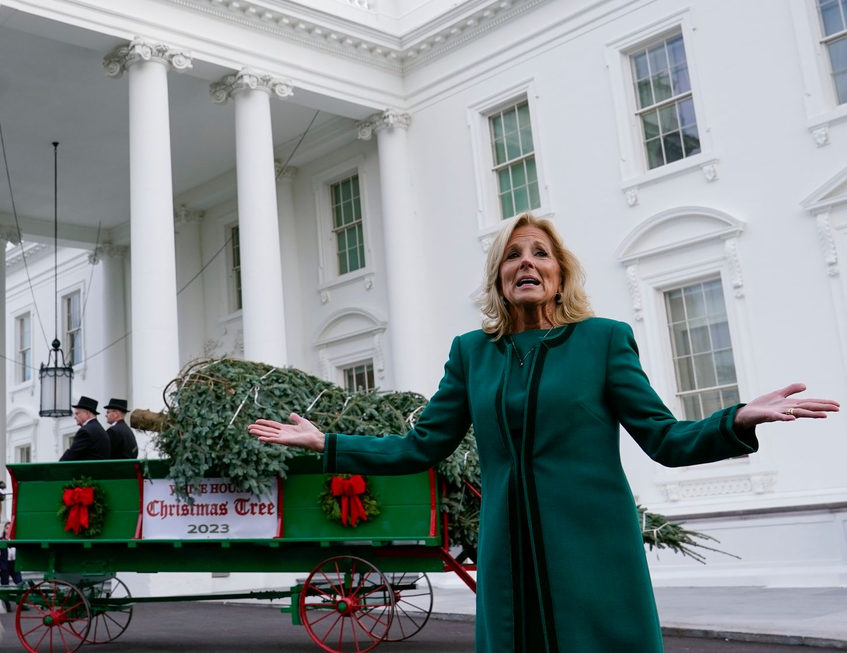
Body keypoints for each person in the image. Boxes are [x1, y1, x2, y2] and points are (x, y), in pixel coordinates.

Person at [249, 212, 839, 653]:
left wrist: (735, 418)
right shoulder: (472, 354)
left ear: (560, 275)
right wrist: (324, 443)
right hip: (508, 552)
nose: (526, 262)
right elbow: (421, 445)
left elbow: (666, 440)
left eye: (540, 254)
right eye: (512, 255)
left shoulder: (603, 340)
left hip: (593, 549)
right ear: (499, 277)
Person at [60, 396, 111, 461]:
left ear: (86, 413)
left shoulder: (85, 431)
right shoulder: (99, 428)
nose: (75, 417)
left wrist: (57, 467)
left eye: (77, 414)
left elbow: (72, 454)